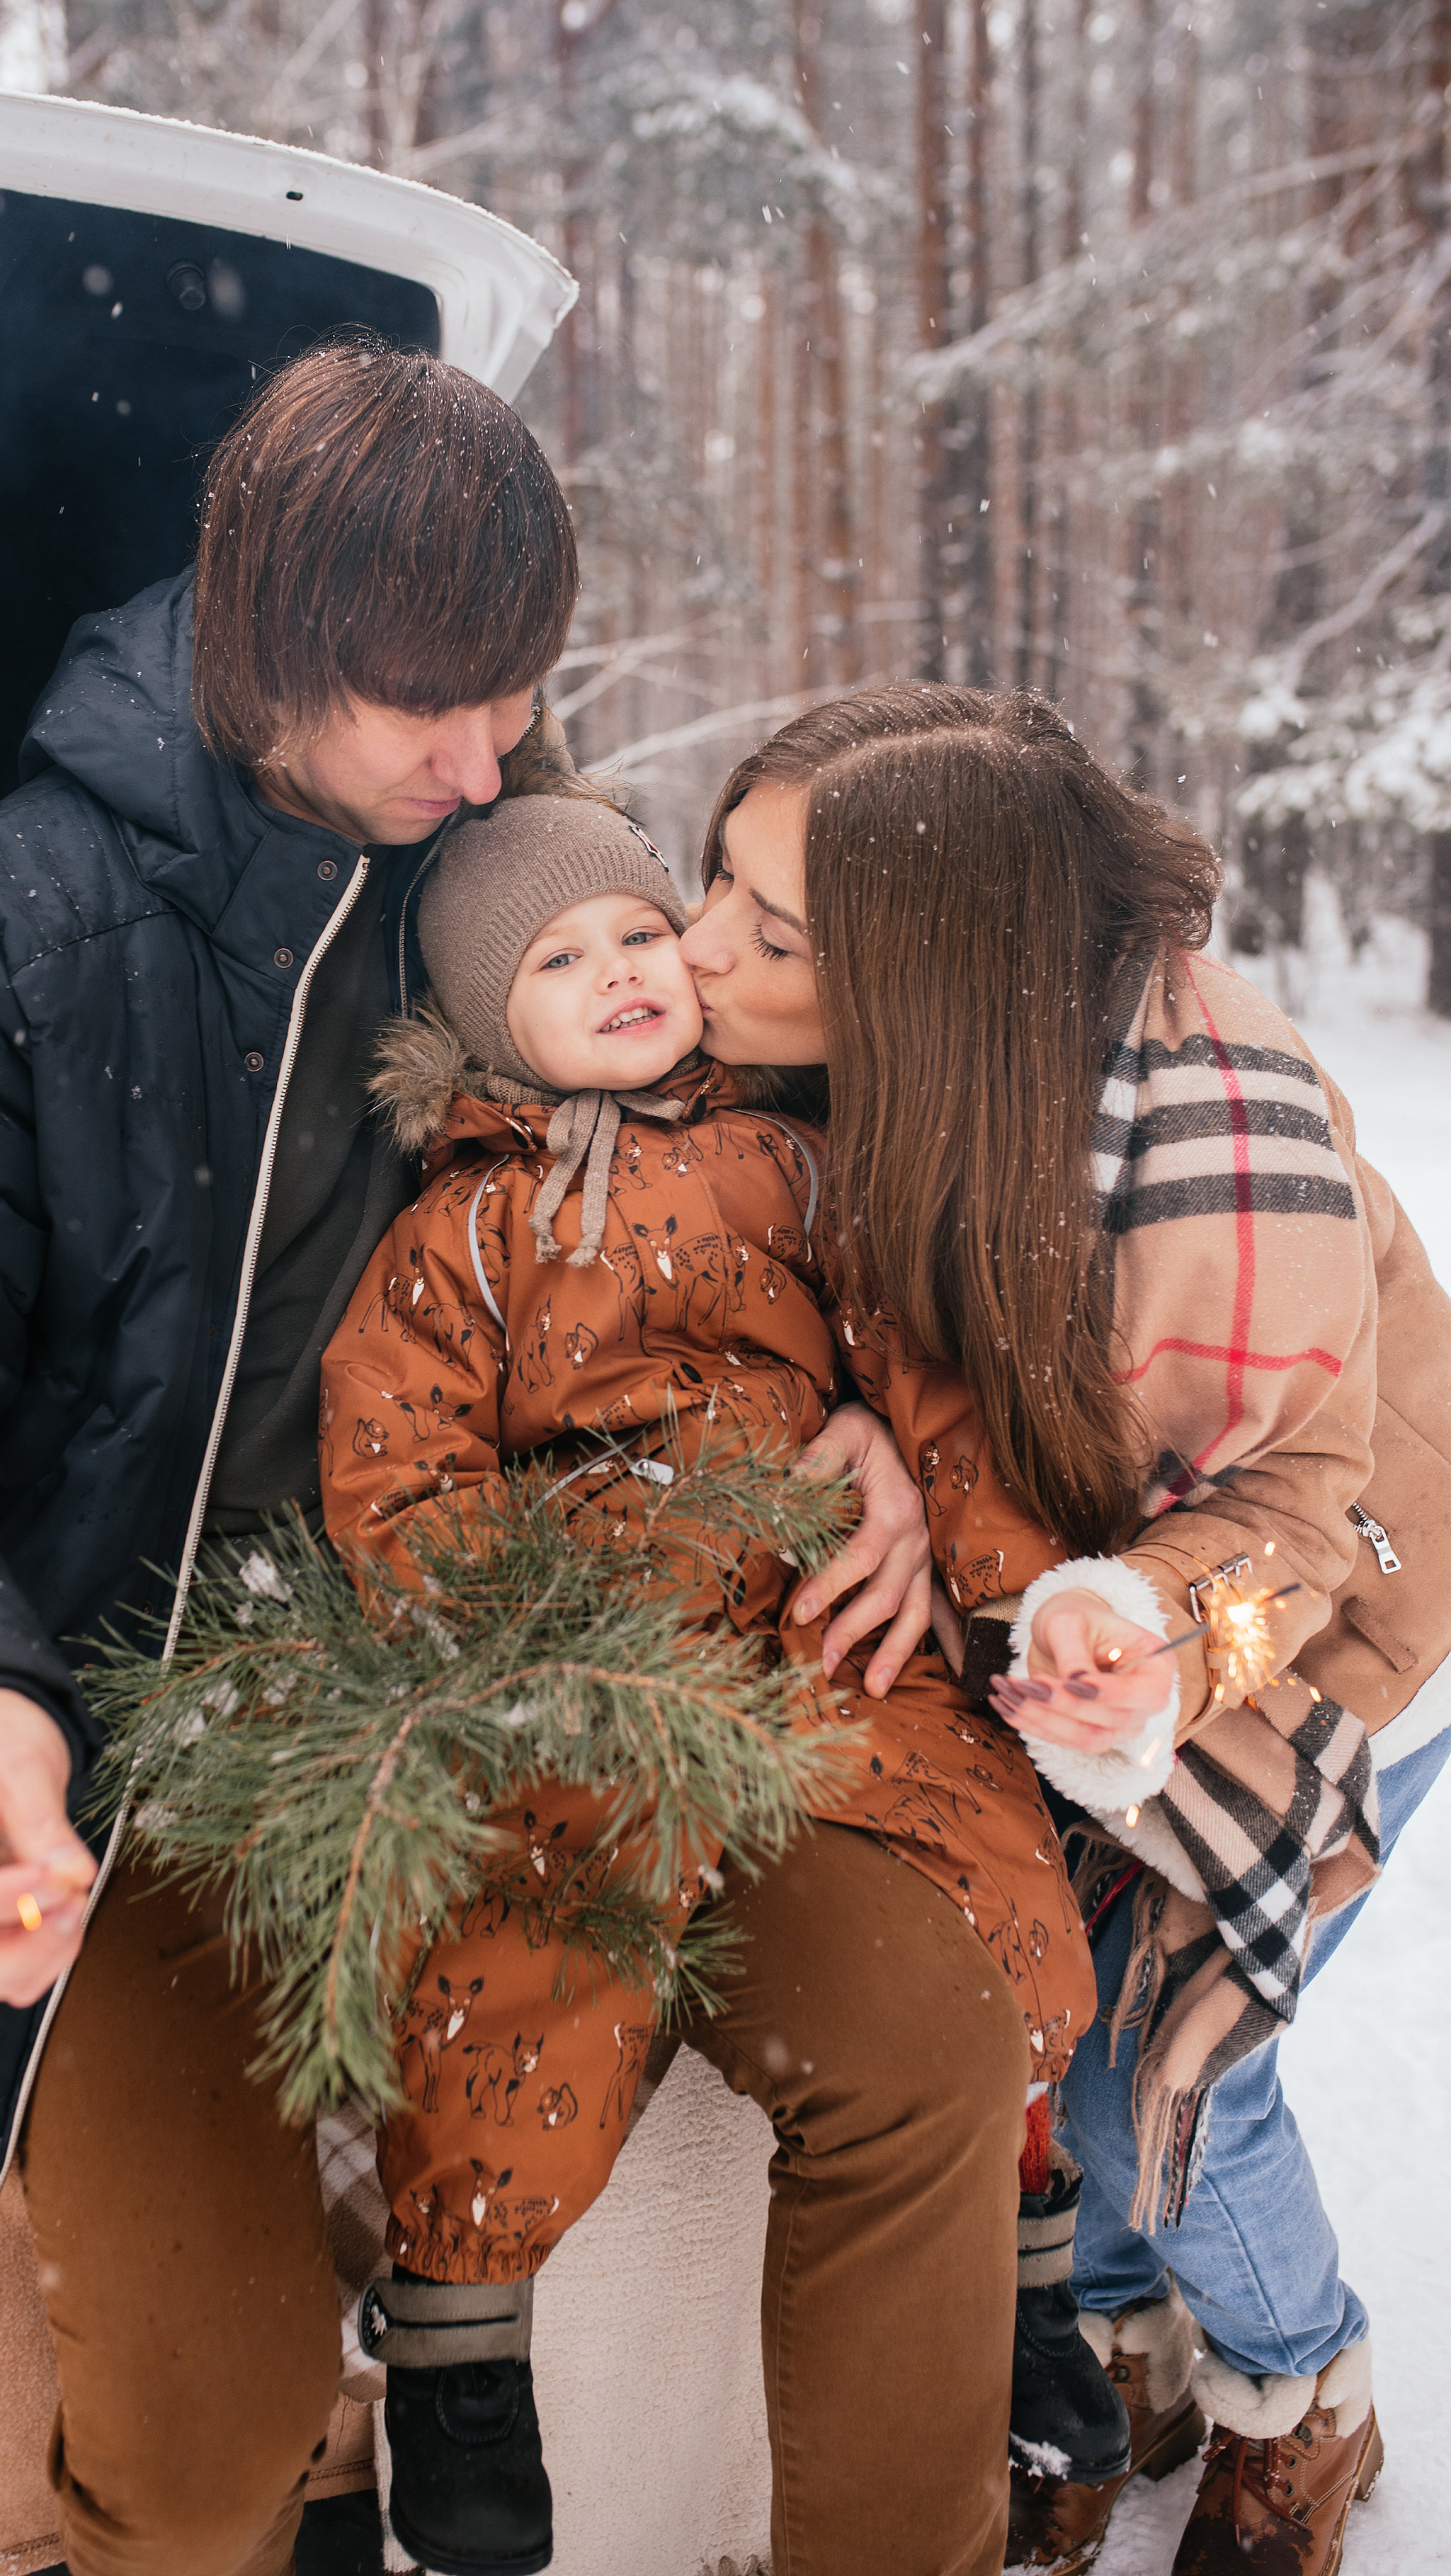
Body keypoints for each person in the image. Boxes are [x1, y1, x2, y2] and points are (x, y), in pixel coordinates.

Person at [0, 336, 935, 2576]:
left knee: (921, 2033)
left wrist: (883, 1413)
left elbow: (801, 1117)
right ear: (269, 645)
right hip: (159, 1703)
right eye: (426, 708)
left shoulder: (511, 865)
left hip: (576, 1648)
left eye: (518, 692)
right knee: (209, 2409)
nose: (484, 764)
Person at [683, 681, 1451, 2576]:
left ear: (929, 977)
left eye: (772, 936)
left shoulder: (1217, 1156)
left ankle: (1302, 2388)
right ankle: (1127, 2359)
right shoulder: (903, 1039)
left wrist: (1156, 1639)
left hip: (1335, 1598)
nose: (697, 949)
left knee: (1162, 2082)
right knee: (1069, 2006)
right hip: (1087, 1584)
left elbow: (1302, 1521)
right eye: (716, 879)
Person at [317, 783, 1096, 2576]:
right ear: (475, 1019)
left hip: (825, 1626)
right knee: (532, 1929)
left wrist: (1011, 1593)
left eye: (634, 932)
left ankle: (1029, 2282)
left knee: (997, 1871)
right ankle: (457, 2342)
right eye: (555, 959)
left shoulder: (803, 1159)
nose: (615, 974)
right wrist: (501, 1624)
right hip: (602, 1648)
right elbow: (397, 1465)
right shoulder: (467, 1233)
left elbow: (921, 1369)